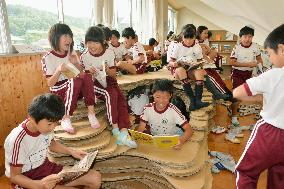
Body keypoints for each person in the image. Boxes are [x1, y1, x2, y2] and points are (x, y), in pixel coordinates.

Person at [4, 93, 101, 189]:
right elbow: (15, 177)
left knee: (95, 178)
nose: (53, 127)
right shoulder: (18, 140)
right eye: (50, 124)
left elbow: (51, 143)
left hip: (45, 168)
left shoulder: (45, 127)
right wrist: (41, 185)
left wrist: (72, 152)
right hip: (29, 179)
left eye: (56, 123)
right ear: (32, 119)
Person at [234, 24, 284, 189]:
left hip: (270, 132)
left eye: (270, 54)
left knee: (246, 172)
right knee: (280, 174)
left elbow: (239, 93)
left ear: (281, 49)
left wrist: (259, 97)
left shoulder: (274, 74)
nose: (269, 58)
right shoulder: (237, 48)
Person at [80, 26, 137, 148]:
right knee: (110, 94)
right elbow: (86, 80)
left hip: (109, 80)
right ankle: (116, 129)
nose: (92, 46)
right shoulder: (84, 56)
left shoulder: (110, 52)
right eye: (89, 42)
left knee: (121, 100)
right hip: (94, 84)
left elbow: (113, 75)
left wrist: (106, 69)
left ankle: (123, 132)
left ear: (103, 42)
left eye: (96, 42)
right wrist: (92, 73)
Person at [41, 23, 100, 134]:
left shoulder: (71, 53)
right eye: (65, 36)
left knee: (86, 76)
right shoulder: (47, 57)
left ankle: (91, 113)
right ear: (55, 37)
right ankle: (65, 117)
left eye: (70, 36)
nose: (69, 40)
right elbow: (50, 83)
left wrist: (76, 64)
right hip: (59, 91)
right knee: (75, 80)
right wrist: (58, 70)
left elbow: (81, 74)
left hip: (74, 87)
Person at [137, 79, 193, 150]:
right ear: (152, 94)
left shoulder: (173, 110)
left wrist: (181, 141)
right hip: (157, 138)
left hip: (173, 136)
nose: (161, 101)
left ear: (170, 96)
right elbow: (141, 127)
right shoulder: (147, 109)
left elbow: (189, 130)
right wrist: (137, 138)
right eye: (158, 97)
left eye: (165, 97)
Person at [168, 26, 209, 111]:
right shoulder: (177, 46)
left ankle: (198, 100)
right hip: (178, 71)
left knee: (200, 72)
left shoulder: (197, 46)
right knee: (181, 70)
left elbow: (199, 60)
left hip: (190, 69)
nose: (188, 41)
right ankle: (192, 100)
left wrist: (201, 63)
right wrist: (174, 63)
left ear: (195, 37)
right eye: (186, 38)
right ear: (182, 37)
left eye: (191, 38)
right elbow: (170, 62)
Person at [229, 26, 263, 126]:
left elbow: (259, 59)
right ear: (240, 37)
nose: (247, 39)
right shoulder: (237, 48)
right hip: (237, 73)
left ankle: (231, 109)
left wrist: (259, 66)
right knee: (236, 95)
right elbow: (231, 62)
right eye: (245, 36)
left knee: (251, 94)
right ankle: (234, 117)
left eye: (250, 36)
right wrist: (248, 64)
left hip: (249, 74)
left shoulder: (255, 46)